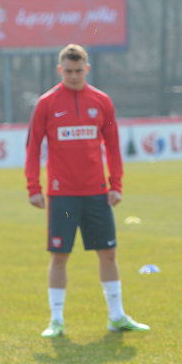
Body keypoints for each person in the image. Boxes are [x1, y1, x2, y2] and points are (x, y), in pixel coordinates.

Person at [25, 44, 149, 338]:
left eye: (79, 71)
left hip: (97, 192)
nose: (74, 76)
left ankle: (116, 316)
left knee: (108, 253)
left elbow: (113, 146)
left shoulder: (102, 101)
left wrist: (116, 184)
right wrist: (34, 187)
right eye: (68, 71)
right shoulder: (46, 103)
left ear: (87, 69)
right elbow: (33, 148)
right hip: (62, 194)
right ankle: (56, 321)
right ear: (60, 71)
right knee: (59, 256)